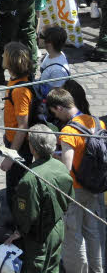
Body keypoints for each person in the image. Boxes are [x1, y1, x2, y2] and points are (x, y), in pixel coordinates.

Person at [46, 87, 106, 273]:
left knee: (74, 235)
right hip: (95, 186)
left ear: (59, 108)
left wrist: (54, 156)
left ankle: (78, 270)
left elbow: (67, 169)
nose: (55, 116)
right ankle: (97, 269)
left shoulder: (68, 132)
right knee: (92, 230)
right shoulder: (97, 123)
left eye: (54, 111)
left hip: (76, 191)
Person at [8, 124, 73, 273]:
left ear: (32, 148)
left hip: (40, 236)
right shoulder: (60, 166)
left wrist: (17, 233)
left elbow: (27, 216)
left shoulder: (30, 179)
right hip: (57, 227)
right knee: (53, 266)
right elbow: (69, 198)